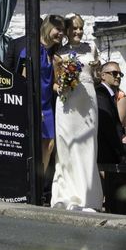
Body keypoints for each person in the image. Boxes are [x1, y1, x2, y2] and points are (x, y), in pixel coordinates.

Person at [50, 24, 104, 212]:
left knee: (87, 147)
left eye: (80, 28)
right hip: (67, 103)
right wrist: (62, 86)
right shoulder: (59, 52)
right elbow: (54, 84)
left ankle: (87, 198)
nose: (78, 32)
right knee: (66, 148)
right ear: (66, 31)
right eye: (74, 28)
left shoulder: (92, 49)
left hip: (87, 102)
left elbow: (97, 77)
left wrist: (98, 68)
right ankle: (64, 196)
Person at [35, 16, 66, 191]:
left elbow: (50, 81)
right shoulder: (33, 49)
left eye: (62, 30)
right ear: (47, 28)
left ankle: (39, 183)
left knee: (49, 144)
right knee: (37, 144)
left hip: (47, 105)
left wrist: (59, 88)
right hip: (36, 104)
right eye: (57, 29)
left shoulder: (50, 53)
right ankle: (32, 182)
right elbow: (24, 77)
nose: (60, 34)